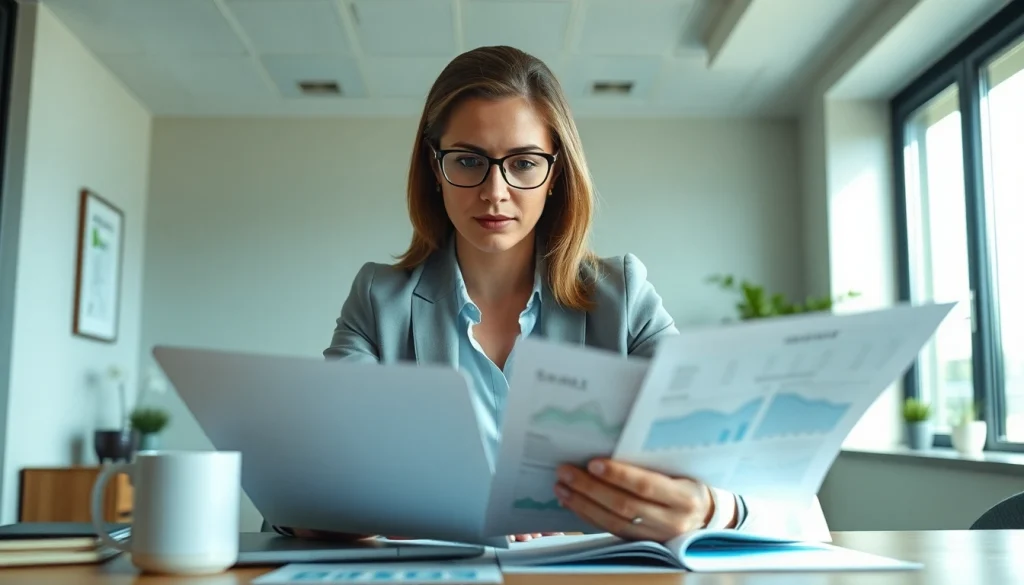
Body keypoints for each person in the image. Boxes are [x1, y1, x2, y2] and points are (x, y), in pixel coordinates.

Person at [273, 45, 828, 544]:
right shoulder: (379, 299)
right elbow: (305, 486)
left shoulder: (623, 297)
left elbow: (778, 492)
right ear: (434, 167)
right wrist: (329, 512)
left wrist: (708, 508)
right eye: (468, 160)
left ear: (555, 173)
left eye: (522, 163)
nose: (495, 191)